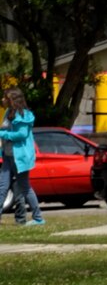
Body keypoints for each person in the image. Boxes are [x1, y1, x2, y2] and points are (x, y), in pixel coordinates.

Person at [1, 85, 44, 226]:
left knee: (25, 187)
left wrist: (2, 134)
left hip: (19, 157)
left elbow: (21, 134)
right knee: (2, 187)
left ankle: (38, 218)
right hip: (8, 156)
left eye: (5, 97)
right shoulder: (8, 112)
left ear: (13, 99)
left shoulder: (24, 114)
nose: (2, 99)